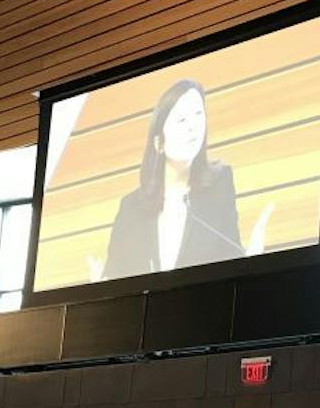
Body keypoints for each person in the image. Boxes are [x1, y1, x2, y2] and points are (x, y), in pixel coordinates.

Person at [102, 80, 243, 281]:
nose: (193, 127)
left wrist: (249, 261)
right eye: (181, 120)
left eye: (198, 115)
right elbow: (115, 274)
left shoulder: (219, 183)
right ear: (159, 142)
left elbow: (230, 256)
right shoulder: (131, 208)